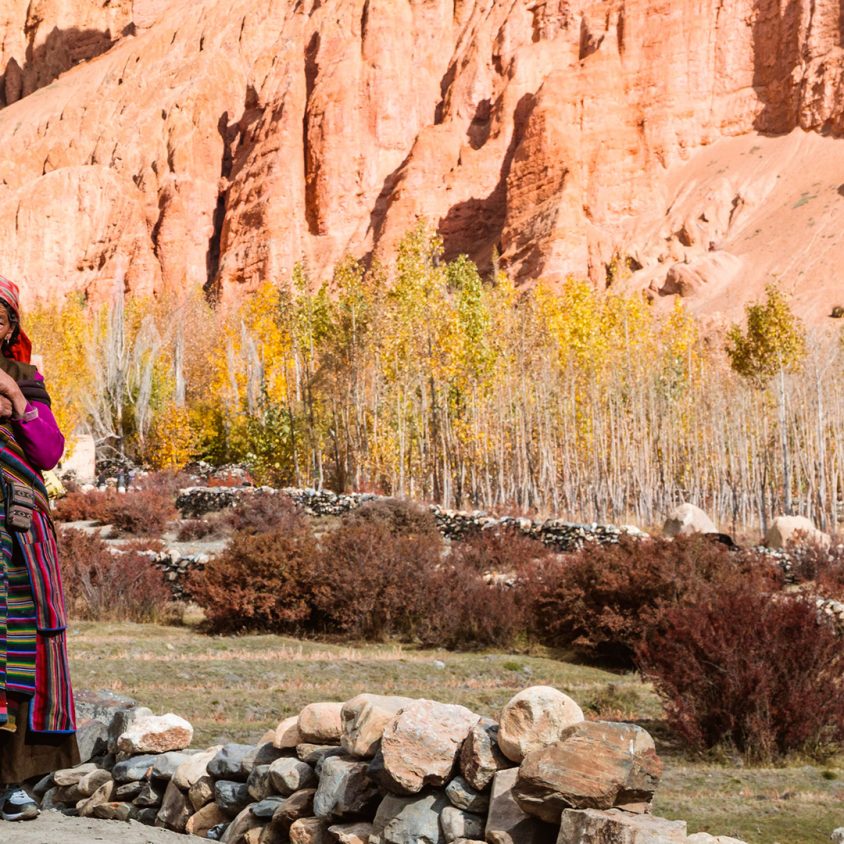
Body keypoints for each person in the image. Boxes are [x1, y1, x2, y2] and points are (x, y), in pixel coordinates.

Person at [0, 277, 78, 822]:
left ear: (11, 329)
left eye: (0, 317)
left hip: (19, 533)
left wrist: (14, 397)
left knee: (18, 651)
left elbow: (49, 451)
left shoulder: (28, 380)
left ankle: (10, 783)